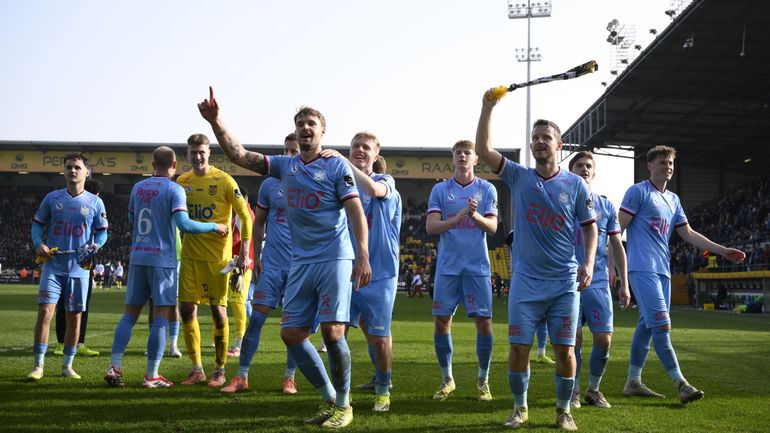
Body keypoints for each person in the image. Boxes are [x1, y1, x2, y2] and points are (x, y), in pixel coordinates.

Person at [197, 87, 371, 429]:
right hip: (300, 262)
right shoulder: (284, 166)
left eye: (311, 123)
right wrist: (216, 121)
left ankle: (345, 405)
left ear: (323, 131)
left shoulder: (336, 165)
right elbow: (240, 155)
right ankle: (329, 398)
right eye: (300, 123)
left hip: (334, 257)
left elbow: (355, 211)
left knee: (333, 332)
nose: (305, 128)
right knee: (291, 333)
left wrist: (362, 254)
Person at [477, 91, 598, 431]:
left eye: (546, 137)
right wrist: (487, 108)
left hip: (563, 283)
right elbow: (483, 150)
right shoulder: (519, 176)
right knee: (518, 349)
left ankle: (563, 411)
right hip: (526, 283)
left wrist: (588, 263)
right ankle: (520, 408)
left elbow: (591, 228)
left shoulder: (576, 185)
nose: (539, 142)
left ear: (559, 145)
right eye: (535, 138)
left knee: (565, 352)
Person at [619, 145, 745, 403]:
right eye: (662, 162)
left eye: (671, 163)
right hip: (642, 268)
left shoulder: (674, 200)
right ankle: (681, 384)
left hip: (663, 271)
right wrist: (613, 267)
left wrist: (723, 251)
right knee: (661, 326)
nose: (668, 167)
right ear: (650, 165)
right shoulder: (638, 192)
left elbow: (688, 233)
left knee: (646, 326)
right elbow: (616, 229)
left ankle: (633, 381)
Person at [104, 146, 228, 388]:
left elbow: (131, 219)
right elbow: (185, 225)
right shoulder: (174, 189)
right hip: (162, 259)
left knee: (129, 314)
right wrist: (215, 226)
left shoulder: (138, 187)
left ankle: (114, 366)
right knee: (161, 318)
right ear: (174, 165)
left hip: (138, 256)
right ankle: (151, 375)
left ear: (153, 165)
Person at [320, 132, 402, 412]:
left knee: (379, 337)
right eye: (355, 146)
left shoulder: (385, 181)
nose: (360, 150)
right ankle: (340, 394)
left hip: (380, 274)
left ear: (376, 155)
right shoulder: (340, 186)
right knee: (334, 334)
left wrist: (343, 162)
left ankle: (383, 389)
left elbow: (373, 190)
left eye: (366, 147)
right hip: (345, 270)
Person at [220, 133, 303, 395]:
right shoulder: (269, 185)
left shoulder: (311, 183)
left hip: (299, 267)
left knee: (294, 327)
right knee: (255, 320)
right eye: (286, 150)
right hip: (272, 265)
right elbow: (259, 223)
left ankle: (289, 378)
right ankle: (242, 376)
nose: (289, 155)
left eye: (294, 151)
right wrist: (255, 258)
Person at [176, 132, 253, 387]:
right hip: (190, 256)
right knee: (186, 309)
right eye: (193, 153)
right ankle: (196, 369)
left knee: (218, 313)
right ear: (187, 154)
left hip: (217, 259)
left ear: (209, 153)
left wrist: (244, 254)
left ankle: (219, 371)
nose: (197, 157)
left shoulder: (224, 180)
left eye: (202, 152)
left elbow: (245, 216)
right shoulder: (182, 181)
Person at [426, 140, 498, 402]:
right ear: (453, 158)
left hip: (477, 267)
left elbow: (492, 228)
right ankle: (447, 379)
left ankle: (483, 381)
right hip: (448, 267)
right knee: (441, 321)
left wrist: (475, 216)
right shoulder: (440, 189)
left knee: (484, 323)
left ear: (476, 159)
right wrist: (456, 219)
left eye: (467, 153)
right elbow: (431, 227)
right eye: (458, 153)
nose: (462, 156)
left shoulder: (487, 188)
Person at [27, 152, 109, 381]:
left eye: (77, 167)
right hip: (53, 266)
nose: (73, 170)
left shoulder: (95, 202)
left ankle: (67, 366)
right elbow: (37, 225)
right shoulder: (52, 198)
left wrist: (96, 245)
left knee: (74, 317)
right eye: (69, 167)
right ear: (64, 171)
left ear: (86, 172)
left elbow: (103, 232)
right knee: (45, 312)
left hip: (79, 269)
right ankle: (38, 365)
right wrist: (38, 244)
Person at [568, 151, 631, 409]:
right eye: (579, 165)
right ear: (571, 172)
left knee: (604, 340)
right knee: (573, 340)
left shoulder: (606, 206)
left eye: (588, 166)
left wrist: (624, 284)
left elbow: (617, 245)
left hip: (598, 282)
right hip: (568, 282)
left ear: (594, 172)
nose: (584, 169)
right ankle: (573, 390)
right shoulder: (560, 203)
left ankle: (593, 389)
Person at [53, 178, 105, 358]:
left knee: (81, 304)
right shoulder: (80, 206)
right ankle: (62, 343)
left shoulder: (94, 208)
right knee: (64, 304)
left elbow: (98, 236)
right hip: (67, 262)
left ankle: (78, 343)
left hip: (85, 264)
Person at [226, 185, 256, 358]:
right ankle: (236, 339)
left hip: (241, 264)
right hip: (240, 263)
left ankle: (240, 343)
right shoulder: (245, 213)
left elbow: (236, 240)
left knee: (237, 301)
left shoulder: (243, 214)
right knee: (236, 301)